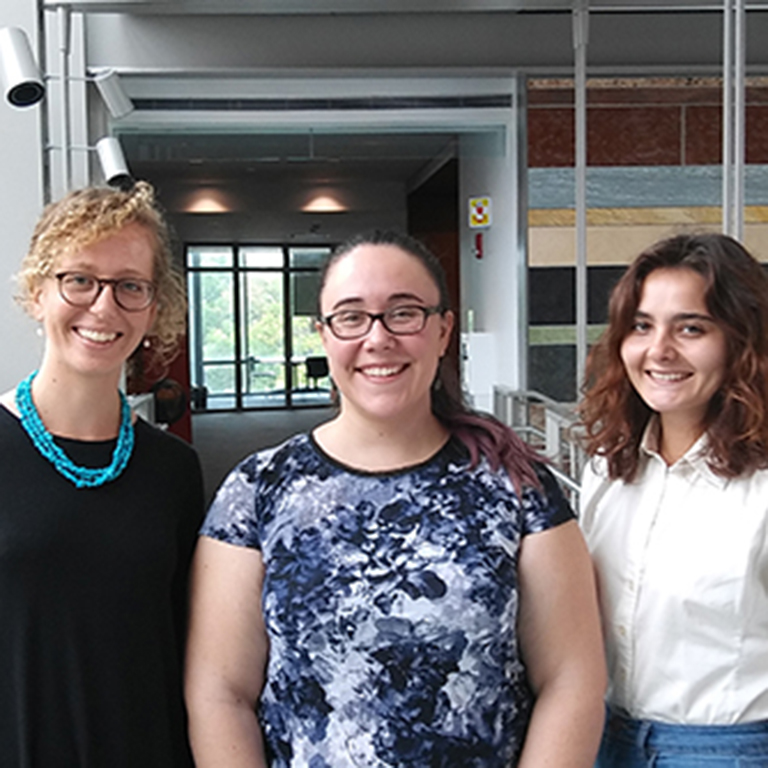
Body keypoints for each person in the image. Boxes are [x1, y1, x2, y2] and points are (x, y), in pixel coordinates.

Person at [185, 230, 606, 767]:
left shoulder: (515, 485)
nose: (377, 338)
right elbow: (221, 693)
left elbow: (571, 679)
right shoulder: (257, 490)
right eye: (350, 317)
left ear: (443, 330)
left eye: (403, 313)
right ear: (323, 335)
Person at [0, 181, 205, 767]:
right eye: (80, 280)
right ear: (37, 292)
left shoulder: (174, 469)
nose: (104, 306)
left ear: (154, 308)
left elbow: (187, 643)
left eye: (129, 286)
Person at [578, 233, 768, 767]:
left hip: (729, 751)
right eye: (641, 325)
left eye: (691, 328)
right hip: (605, 739)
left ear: (740, 342)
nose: (659, 350)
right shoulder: (608, 469)